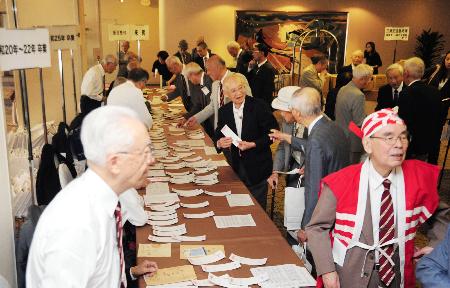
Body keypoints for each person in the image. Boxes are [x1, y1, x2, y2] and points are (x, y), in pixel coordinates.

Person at [306, 108, 441, 288]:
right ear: (368, 144)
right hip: (351, 275)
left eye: (403, 136)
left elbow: (441, 215)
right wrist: (327, 270)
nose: (399, 144)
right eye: (389, 137)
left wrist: (437, 246)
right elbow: (317, 227)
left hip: (398, 274)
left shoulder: (418, 179)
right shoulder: (341, 182)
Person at [26, 106, 158, 287]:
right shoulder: (77, 225)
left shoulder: (105, 201)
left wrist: (130, 272)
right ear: (114, 162)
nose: (152, 160)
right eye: (144, 152)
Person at [269, 87, 349, 240]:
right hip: (339, 202)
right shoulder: (331, 126)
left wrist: (306, 227)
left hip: (325, 210)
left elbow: (313, 190)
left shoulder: (315, 140)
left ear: (297, 113)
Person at [215, 73, 278, 209]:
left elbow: (273, 134)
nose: (239, 93)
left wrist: (254, 144)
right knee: (238, 206)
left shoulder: (259, 106)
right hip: (236, 168)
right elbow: (218, 131)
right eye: (233, 91)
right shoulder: (224, 112)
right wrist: (219, 143)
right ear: (226, 94)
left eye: (241, 87)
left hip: (258, 167)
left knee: (258, 209)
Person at [184, 55, 252, 130]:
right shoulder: (215, 85)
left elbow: (249, 104)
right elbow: (212, 106)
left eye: (208, 70)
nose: (208, 73)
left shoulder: (237, 77)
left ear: (216, 68)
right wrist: (196, 118)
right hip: (221, 130)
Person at [398, 57, 442, 164]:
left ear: (406, 73)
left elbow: (404, 123)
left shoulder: (406, 93)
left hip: (412, 147)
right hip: (431, 143)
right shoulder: (435, 91)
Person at [267, 86, 306, 190]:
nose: (281, 113)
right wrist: (275, 172)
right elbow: (283, 147)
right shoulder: (287, 122)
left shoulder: (313, 124)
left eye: (283, 110)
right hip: (294, 166)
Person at [335, 63, 373, 164]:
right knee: (353, 172)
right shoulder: (359, 95)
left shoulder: (343, 89)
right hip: (353, 140)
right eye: (369, 79)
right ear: (363, 79)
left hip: (340, 136)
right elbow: (359, 122)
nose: (370, 82)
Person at [180, 62, 214, 137]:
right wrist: (187, 117)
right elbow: (199, 104)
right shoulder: (201, 83)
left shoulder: (209, 81)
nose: (189, 80)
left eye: (189, 77)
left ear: (192, 74)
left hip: (213, 120)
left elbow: (212, 106)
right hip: (207, 119)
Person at [426, 50, 450, 130]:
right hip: (427, 106)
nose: (449, 62)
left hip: (441, 111)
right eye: (447, 59)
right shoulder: (436, 70)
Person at [247, 43, 276, 107]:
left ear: (262, 53)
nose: (252, 54)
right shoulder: (255, 66)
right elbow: (249, 82)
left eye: (255, 51)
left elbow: (268, 91)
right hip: (254, 102)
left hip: (262, 104)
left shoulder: (268, 68)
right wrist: (249, 68)